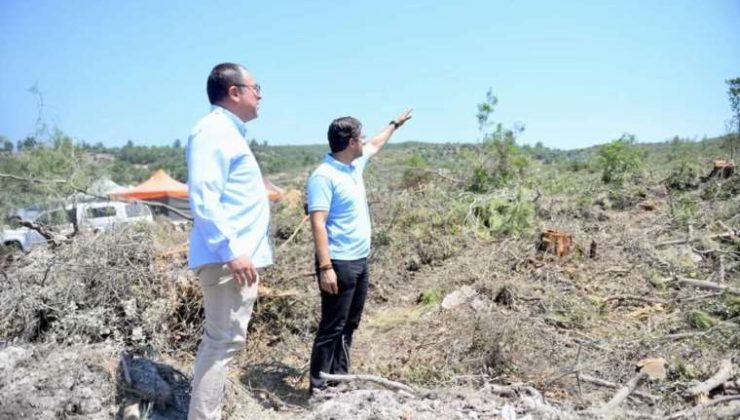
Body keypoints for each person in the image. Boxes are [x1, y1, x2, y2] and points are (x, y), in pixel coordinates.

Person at [186, 62, 272, 419]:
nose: (261, 94)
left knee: (225, 343)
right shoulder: (213, 131)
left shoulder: (227, 132)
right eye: (256, 87)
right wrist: (232, 249)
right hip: (227, 259)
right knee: (221, 344)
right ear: (234, 92)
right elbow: (204, 194)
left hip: (232, 258)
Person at [306, 109, 413, 392]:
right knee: (332, 327)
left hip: (360, 261)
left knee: (349, 325)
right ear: (351, 142)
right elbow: (318, 222)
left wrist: (395, 124)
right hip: (338, 264)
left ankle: (339, 382)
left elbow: (376, 143)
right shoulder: (323, 176)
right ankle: (318, 388)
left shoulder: (354, 165)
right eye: (360, 136)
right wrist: (325, 267)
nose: (365, 141)